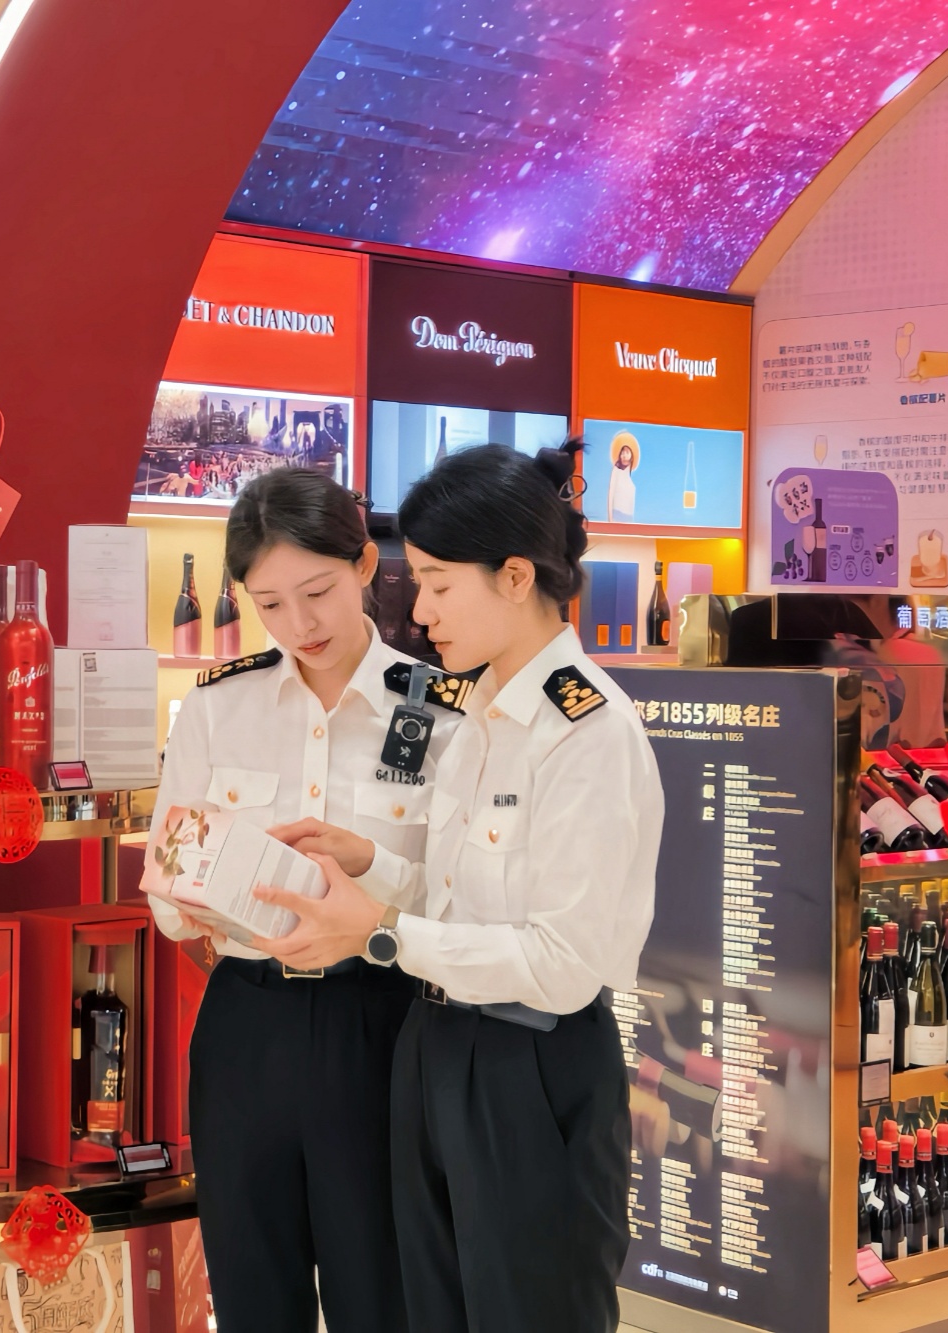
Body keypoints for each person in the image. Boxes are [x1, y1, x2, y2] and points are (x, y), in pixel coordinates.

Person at [255, 441, 662, 1332]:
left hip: (532, 1065)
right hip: (434, 1045)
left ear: (515, 577)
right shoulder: (476, 710)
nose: (420, 609)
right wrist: (371, 863)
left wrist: (379, 931)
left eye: (439, 584)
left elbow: (561, 961)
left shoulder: (586, 733)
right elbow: (461, 898)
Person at [147, 466, 472, 1333]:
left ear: (365, 564)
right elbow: (166, 893)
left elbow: (461, 897)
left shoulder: (442, 714)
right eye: (271, 604)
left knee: (384, 1295)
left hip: (385, 1021)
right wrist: (196, 896)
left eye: (319, 592)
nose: (301, 624)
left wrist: (370, 877)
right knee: (252, 1291)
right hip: (246, 1026)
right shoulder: (217, 708)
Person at [607, 430, 639, 522]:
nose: (624, 455)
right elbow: (611, 493)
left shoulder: (632, 480)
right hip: (616, 516)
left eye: (627, 452)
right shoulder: (616, 470)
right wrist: (610, 520)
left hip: (628, 519)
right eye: (622, 452)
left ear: (632, 455)